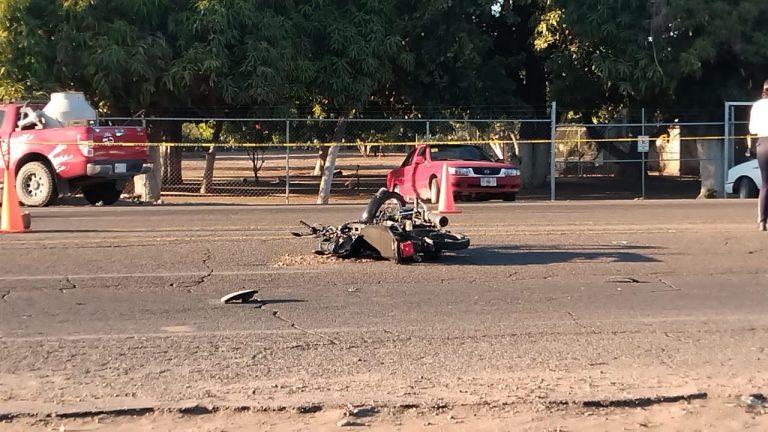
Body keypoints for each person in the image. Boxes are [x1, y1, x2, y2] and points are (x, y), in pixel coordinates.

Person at [749, 80, 768, 231]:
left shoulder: (756, 105)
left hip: (763, 144)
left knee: (765, 184)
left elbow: (752, 128)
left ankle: (762, 221)